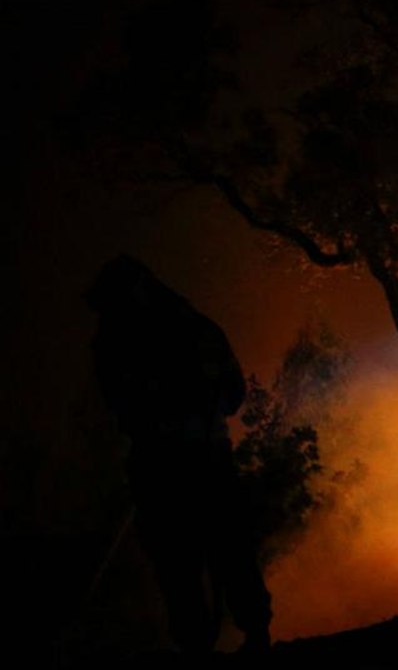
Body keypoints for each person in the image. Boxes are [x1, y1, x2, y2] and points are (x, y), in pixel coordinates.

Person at [86, 254, 272, 657]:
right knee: (224, 549)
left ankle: (201, 643)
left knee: (179, 562)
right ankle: (254, 634)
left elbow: (115, 405)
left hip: (161, 464)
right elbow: (234, 394)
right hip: (204, 457)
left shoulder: (113, 340)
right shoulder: (199, 328)